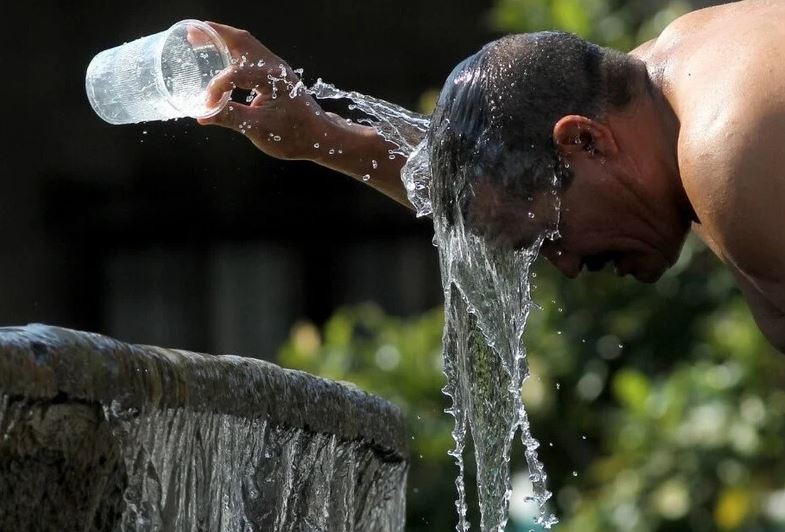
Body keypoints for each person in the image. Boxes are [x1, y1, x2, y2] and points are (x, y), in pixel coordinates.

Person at [198, 0, 785, 352]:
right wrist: (320, 134)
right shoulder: (670, 84)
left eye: (548, 235)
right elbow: (492, 182)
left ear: (583, 140)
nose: (568, 264)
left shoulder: (732, 156)